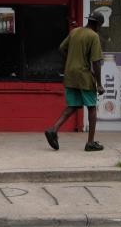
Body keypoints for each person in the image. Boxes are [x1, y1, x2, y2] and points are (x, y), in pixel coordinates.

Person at [45, 14, 106, 152]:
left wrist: (72, 58)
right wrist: (99, 83)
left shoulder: (75, 31)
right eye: (100, 26)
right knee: (91, 107)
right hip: (83, 75)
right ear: (97, 24)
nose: (100, 29)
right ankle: (90, 143)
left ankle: (53, 129)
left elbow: (61, 48)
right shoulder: (93, 36)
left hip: (70, 74)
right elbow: (96, 61)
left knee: (73, 105)